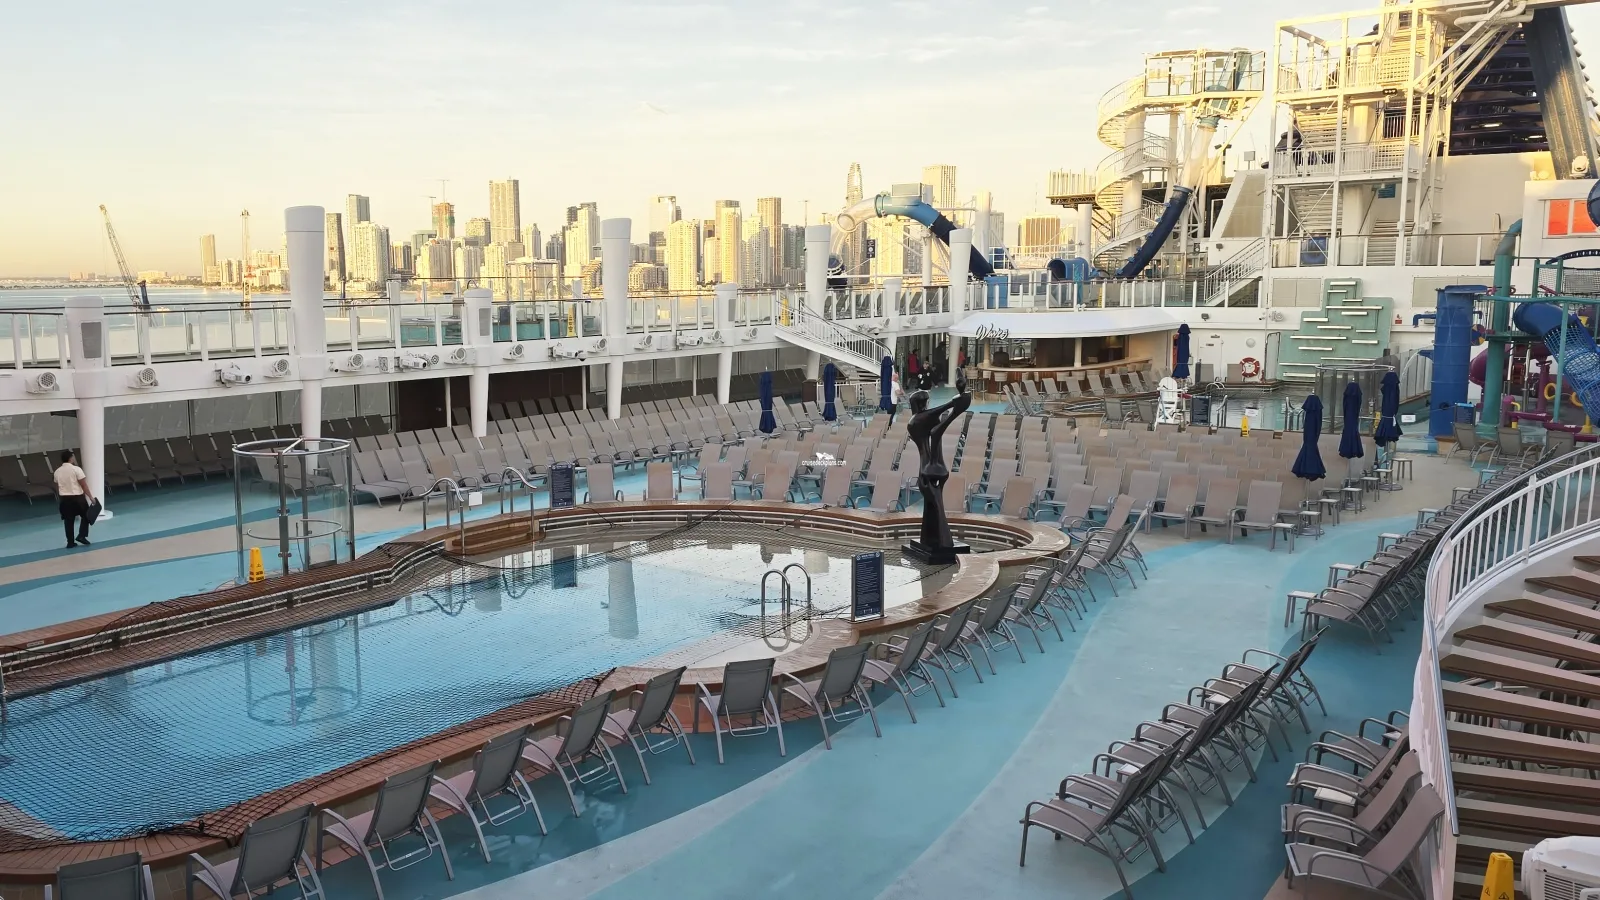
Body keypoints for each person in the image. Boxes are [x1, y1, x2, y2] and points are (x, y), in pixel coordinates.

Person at [55, 449, 95, 548]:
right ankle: (82, 535)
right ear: (70, 458)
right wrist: (90, 497)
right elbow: (83, 485)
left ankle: (70, 542)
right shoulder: (76, 469)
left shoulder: (57, 472)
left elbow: (57, 484)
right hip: (78, 498)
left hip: (64, 499)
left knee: (68, 521)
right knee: (87, 515)